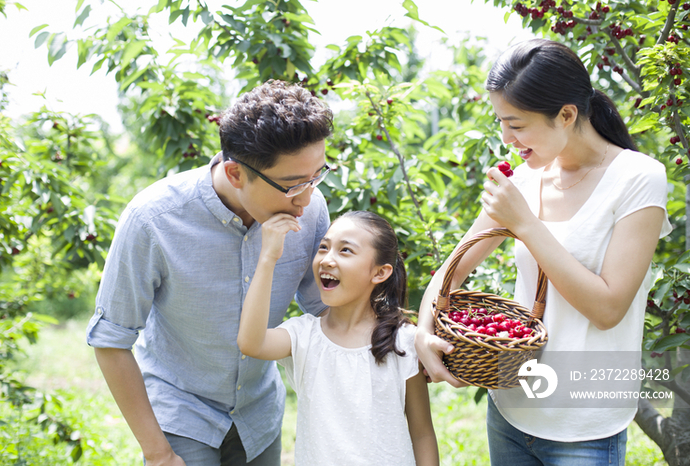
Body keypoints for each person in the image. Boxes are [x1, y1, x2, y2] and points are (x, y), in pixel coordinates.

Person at [415, 39, 671, 465]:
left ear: (566, 115)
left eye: (516, 124)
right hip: (511, 407)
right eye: (500, 122)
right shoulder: (523, 181)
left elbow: (608, 308)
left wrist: (527, 226)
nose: (506, 138)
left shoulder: (638, 178)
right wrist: (425, 331)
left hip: (584, 425)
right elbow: (452, 271)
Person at [86, 80, 334, 466]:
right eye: (291, 185)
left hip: (260, 413)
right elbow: (111, 339)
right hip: (181, 412)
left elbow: (327, 310)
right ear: (235, 174)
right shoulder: (152, 219)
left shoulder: (311, 207)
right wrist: (158, 453)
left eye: (316, 176)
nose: (305, 197)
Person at [237, 210, 439, 466]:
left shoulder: (404, 342)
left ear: (379, 273)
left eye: (345, 251)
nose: (327, 260)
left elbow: (422, 433)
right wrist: (268, 258)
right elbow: (250, 342)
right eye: (323, 247)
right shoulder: (304, 336)